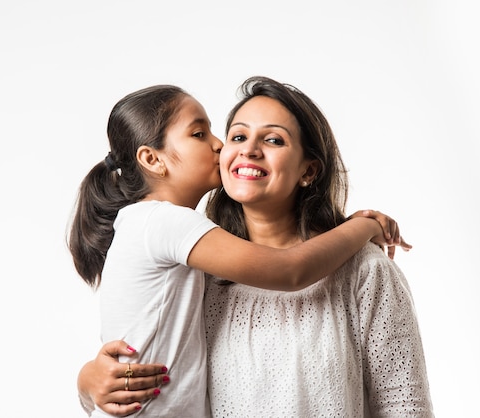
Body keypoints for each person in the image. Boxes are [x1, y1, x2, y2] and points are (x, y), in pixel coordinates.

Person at [68, 83, 412, 417]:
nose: (230, 147)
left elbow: (404, 405)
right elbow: (291, 270)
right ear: (152, 159)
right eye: (235, 136)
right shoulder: (193, 257)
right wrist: (87, 380)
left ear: (308, 169)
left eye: (274, 139)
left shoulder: (365, 270)